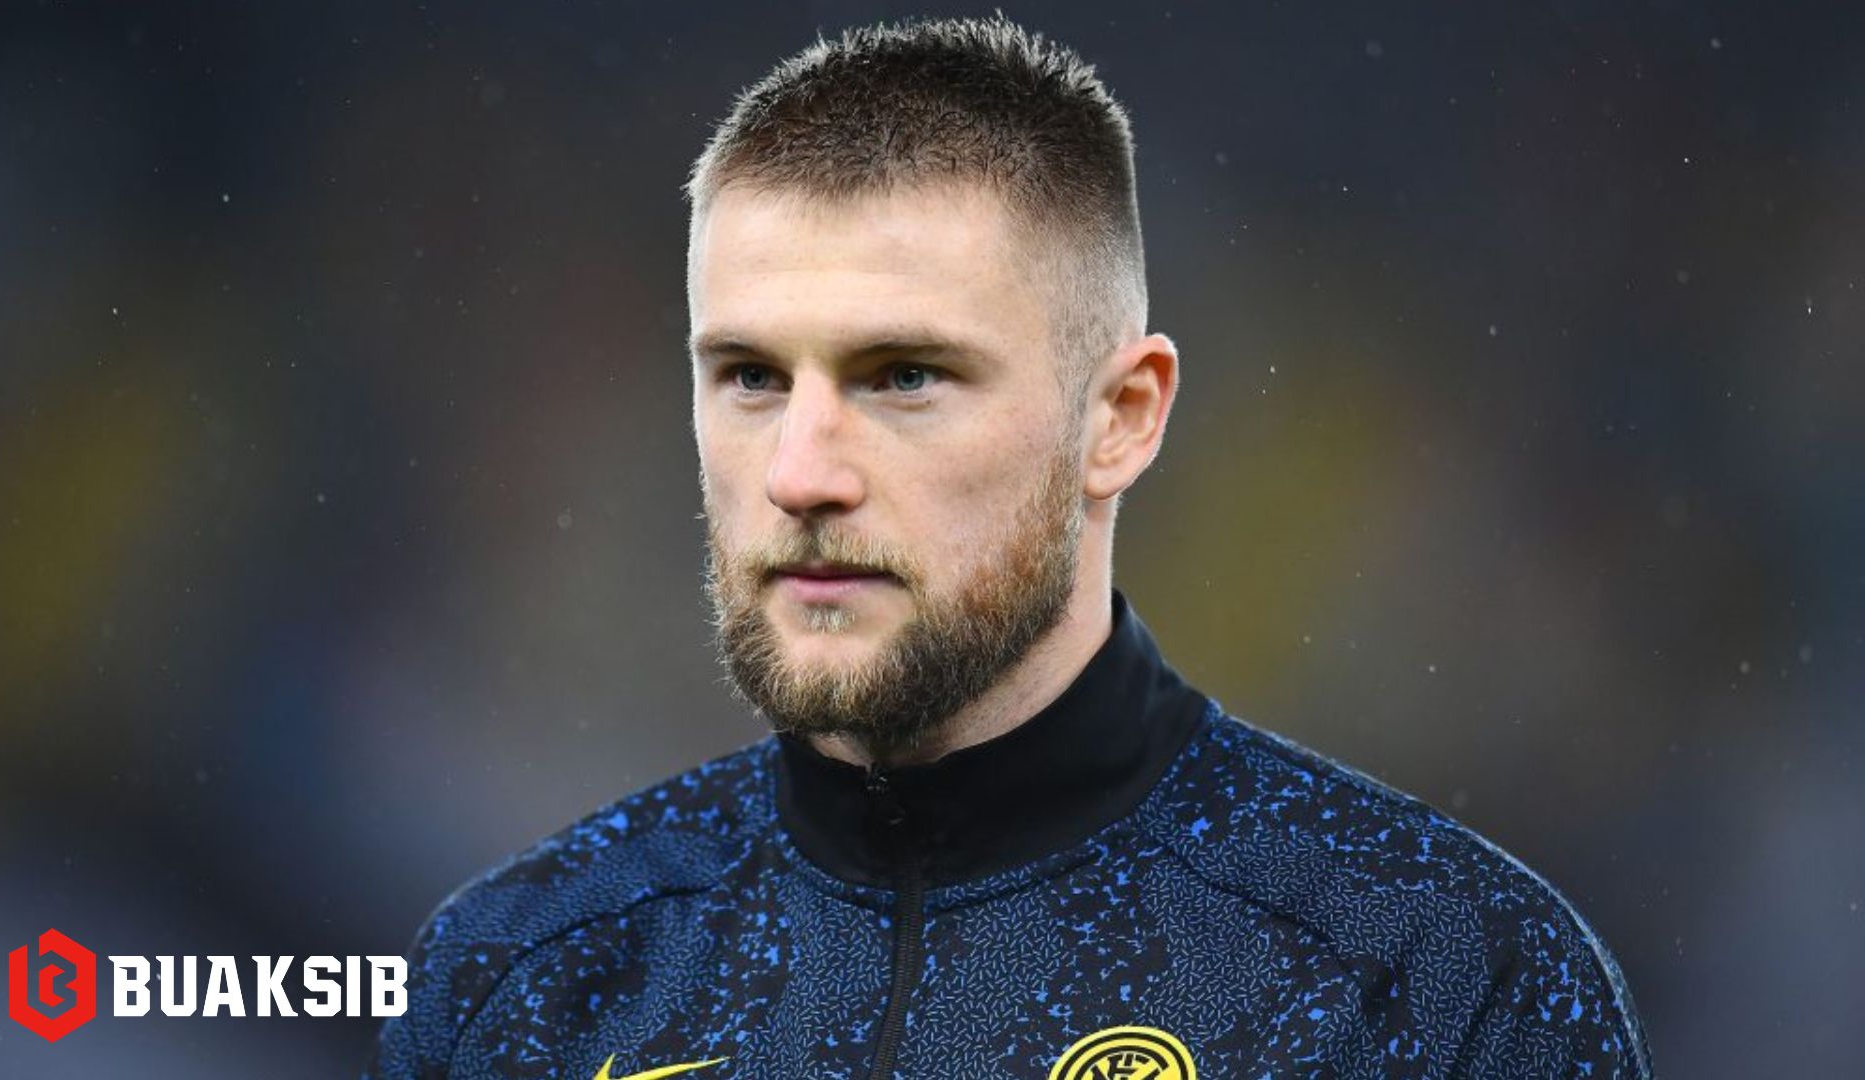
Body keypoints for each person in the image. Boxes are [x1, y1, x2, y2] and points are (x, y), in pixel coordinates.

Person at [368, 14, 1652, 1079]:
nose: (800, 473)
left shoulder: (1443, 981)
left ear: (1120, 419)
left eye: (905, 375)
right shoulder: (515, 978)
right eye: (751, 376)